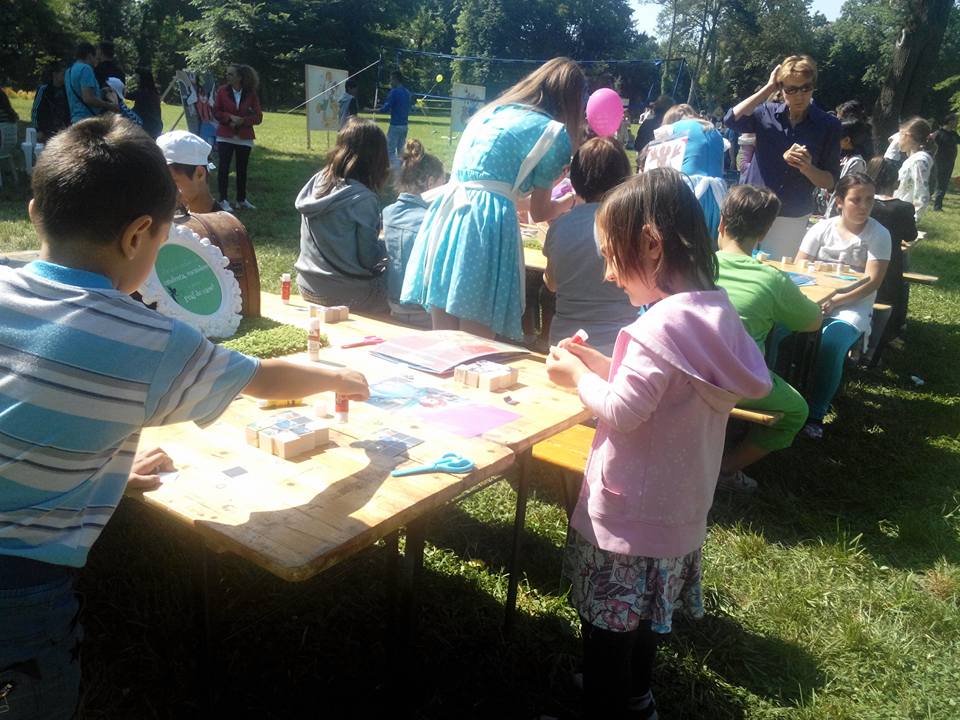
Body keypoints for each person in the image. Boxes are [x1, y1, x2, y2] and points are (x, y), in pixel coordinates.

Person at [0, 114, 369, 719]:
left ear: (36, 212)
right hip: (18, 593)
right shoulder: (147, 341)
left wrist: (100, 468)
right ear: (139, 236)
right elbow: (263, 379)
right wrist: (339, 377)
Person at [545, 169, 771, 720]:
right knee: (647, 617)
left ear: (650, 243)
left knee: (607, 629)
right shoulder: (715, 314)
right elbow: (666, 389)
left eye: (610, 255)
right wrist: (603, 365)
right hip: (678, 512)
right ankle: (637, 699)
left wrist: (576, 378)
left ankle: (603, 705)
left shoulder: (658, 327)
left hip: (629, 516)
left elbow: (625, 410)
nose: (607, 272)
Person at [401, 57, 585, 340]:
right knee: (475, 340)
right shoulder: (552, 133)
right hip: (484, 228)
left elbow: (495, 191)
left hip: (448, 217)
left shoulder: (490, 113)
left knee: (443, 337)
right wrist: (571, 201)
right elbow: (539, 212)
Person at [715, 185, 822, 491]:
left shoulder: (696, 266)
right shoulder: (772, 279)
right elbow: (812, 323)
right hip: (737, 384)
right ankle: (726, 469)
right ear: (764, 232)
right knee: (797, 411)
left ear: (721, 223)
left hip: (688, 372)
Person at [796, 173, 890, 439]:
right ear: (839, 201)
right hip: (813, 299)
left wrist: (835, 300)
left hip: (852, 306)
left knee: (832, 342)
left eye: (869, 199)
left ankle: (816, 412)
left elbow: (872, 282)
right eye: (856, 200)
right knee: (778, 330)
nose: (864, 206)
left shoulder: (879, 234)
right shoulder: (821, 229)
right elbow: (798, 267)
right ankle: (775, 394)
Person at [724, 55, 841, 259]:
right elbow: (731, 119)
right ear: (782, 89)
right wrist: (769, 87)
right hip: (751, 208)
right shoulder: (765, 113)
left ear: (813, 86)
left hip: (791, 215)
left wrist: (807, 168)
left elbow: (831, 182)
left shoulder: (828, 125)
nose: (799, 95)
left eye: (806, 88)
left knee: (778, 270)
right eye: (791, 89)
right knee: (738, 265)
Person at [542, 136, 637, 354]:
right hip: (618, 346)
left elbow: (552, 284)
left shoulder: (560, 226)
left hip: (565, 344)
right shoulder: (629, 225)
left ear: (575, 179)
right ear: (624, 178)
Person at [294, 118, 390, 313]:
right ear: (375, 158)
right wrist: (387, 245)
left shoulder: (318, 182)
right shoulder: (363, 199)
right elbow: (368, 259)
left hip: (306, 285)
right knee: (402, 290)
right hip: (345, 294)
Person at [382, 139, 444, 326]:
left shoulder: (388, 213)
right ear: (430, 182)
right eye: (443, 183)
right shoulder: (434, 220)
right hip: (426, 312)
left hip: (394, 305)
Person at [866, 157, 916, 365]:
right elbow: (910, 235)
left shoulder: (860, 203)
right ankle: (882, 341)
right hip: (888, 265)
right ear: (896, 181)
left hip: (859, 261)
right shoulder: (903, 208)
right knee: (893, 292)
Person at [656, 103, 727, 243]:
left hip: (687, 190)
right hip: (719, 194)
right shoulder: (714, 131)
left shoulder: (671, 129)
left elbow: (660, 169)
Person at [214, 63, 263, 211]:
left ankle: (241, 200)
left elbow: (258, 117)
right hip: (225, 135)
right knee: (224, 168)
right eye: (227, 73)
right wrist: (229, 117)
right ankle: (223, 200)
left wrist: (243, 121)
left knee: (242, 169)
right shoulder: (222, 91)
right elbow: (216, 112)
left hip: (244, 136)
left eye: (231, 74)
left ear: (239, 77)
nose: (227, 76)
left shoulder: (251, 93)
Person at [157, 130, 221, 214]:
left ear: (199, 174)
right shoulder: (170, 217)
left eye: (172, 182)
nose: (164, 190)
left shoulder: (221, 221)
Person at [824, 118, 871, 217]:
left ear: (847, 140)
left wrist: (832, 214)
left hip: (840, 213)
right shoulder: (843, 156)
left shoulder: (856, 162)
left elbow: (845, 190)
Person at [893, 117, 937, 222]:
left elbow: (922, 191)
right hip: (898, 213)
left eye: (900, 135)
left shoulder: (919, 161)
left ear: (908, 136)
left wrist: (914, 219)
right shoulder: (913, 159)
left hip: (904, 217)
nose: (897, 140)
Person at [65, 41, 118, 123]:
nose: (97, 61)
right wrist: (109, 106)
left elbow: (80, 93)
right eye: (95, 57)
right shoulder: (86, 69)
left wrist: (100, 92)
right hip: (88, 120)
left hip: (75, 119)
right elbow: (88, 98)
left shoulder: (68, 71)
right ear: (90, 56)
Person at [31, 62, 70, 141]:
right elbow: (35, 110)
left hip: (62, 130)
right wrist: (38, 129)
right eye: (63, 74)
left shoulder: (67, 90)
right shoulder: (44, 89)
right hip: (45, 130)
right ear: (55, 74)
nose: (66, 77)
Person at [380, 70, 412, 165]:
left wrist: (370, 110)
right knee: (401, 152)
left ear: (396, 79)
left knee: (389, 152)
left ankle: (395, 170)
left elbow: (385, 109)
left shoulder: (394, 92)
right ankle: (403, 169)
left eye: (391, 80)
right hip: (404, 126)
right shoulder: (407, 92)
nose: (390, 82)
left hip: (395, 126)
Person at [931, 114, 958, 212]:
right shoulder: (938, 133)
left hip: (950, 162)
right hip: (938, 161)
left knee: (943, 184)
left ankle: (937, 206)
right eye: (955, 121)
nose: (957, 123)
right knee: (935, 182)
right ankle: (927, 200)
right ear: (950, 121)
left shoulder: (954, 134)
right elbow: (928, 142)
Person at [128, 67, 163, 138]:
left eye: (137, 77)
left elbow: (129, 96)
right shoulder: (153, 93)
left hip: (147, 128)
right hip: (156, 126)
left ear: (142, 78)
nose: (135, 79)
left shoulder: (143, 93)